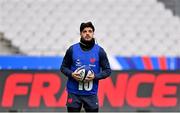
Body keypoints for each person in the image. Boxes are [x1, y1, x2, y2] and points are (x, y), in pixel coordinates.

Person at [60, 21, 111, 112]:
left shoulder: (100, 51)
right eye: (84, 31)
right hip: (74, 93)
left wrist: (95, 76)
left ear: (93, 33)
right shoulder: (72, 49)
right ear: (80, 33)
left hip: (91, 94)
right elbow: (63, 68)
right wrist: (72, 74)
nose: (87, 33)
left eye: (90, 31)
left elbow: (107, 70)